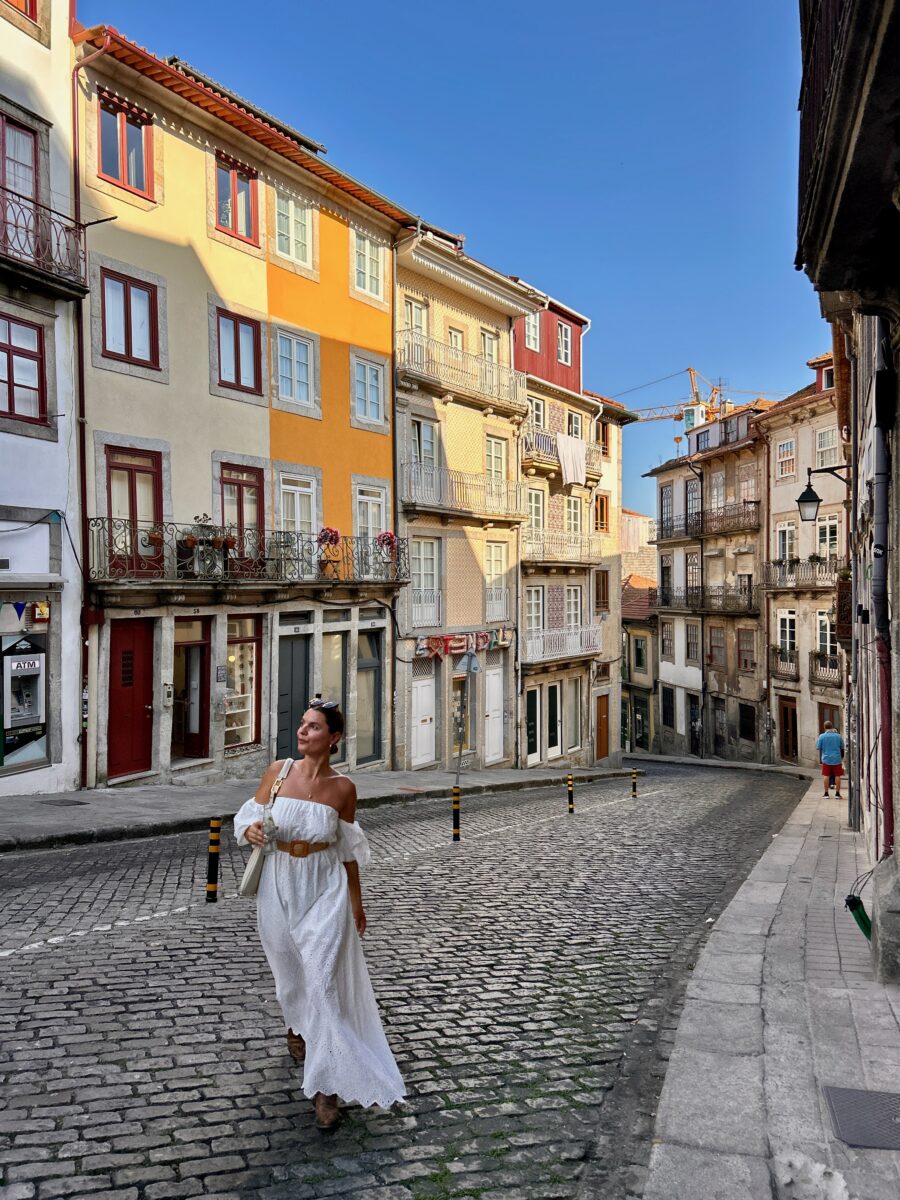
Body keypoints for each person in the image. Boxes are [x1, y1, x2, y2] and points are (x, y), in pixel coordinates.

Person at [233, 701, 405, 1131]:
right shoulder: (278, 771)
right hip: (278, 882)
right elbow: (248, 818)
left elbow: (346, 848)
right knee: (291, 976)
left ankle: (326, 1090)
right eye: (303, 724)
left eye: (314, 727)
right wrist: (250, 830)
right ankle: (297, 1024)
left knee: (324, 981)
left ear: (333, 738)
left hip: (324, 886)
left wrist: (356, 900)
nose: (304, 731)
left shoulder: (343, 788)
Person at [815, 720, 845, 798]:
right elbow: (842, 746)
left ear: (824, 727)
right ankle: (837, 794)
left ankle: (826, 794)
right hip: (837, 759)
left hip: (826, 759)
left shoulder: (822, 736)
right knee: (837, 776)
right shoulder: (838, 736)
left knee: (826, 775)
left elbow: (818, 747)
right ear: (832, 726)